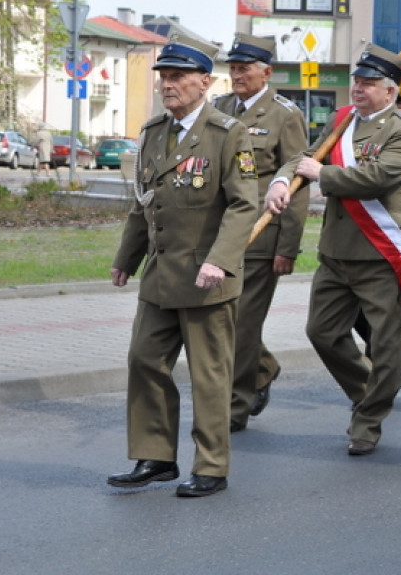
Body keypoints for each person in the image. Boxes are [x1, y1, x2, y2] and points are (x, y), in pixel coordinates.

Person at [107, 35, 259, 497]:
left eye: (177, 77)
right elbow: (143, 204)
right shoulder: (154, 132)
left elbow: (242, 206)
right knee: (144, 359)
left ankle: (211, 465)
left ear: (204, 82)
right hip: (160, 274)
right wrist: (125, 260)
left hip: (205, 277)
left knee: (208, 374)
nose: (167, 85)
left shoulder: (226, 132)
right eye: (163, 77)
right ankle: (156, 455)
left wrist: (220, 261)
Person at [266, 44, 401, 456]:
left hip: (378, 253)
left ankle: (367, 423)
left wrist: (323, 174)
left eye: (369, 83)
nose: (358, 89)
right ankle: (367, 391)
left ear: (390, 91)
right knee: (322, 332)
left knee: (386, 348)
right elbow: (305, 157)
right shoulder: (342, 121)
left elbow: (378, 177)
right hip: (335, 253)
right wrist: (281, 181)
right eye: (357, 81)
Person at [213, 33, 309, 432]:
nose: (236, 75)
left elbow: (298, 179)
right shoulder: (218, 108)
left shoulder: (285, 115)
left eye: (244, 69)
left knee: (242, 325)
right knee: (220, 320)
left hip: (258, 238)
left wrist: (287, 246)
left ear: (266, 72)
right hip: (219, 235)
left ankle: (235, 408)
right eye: (232, 68)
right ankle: (263, 366)